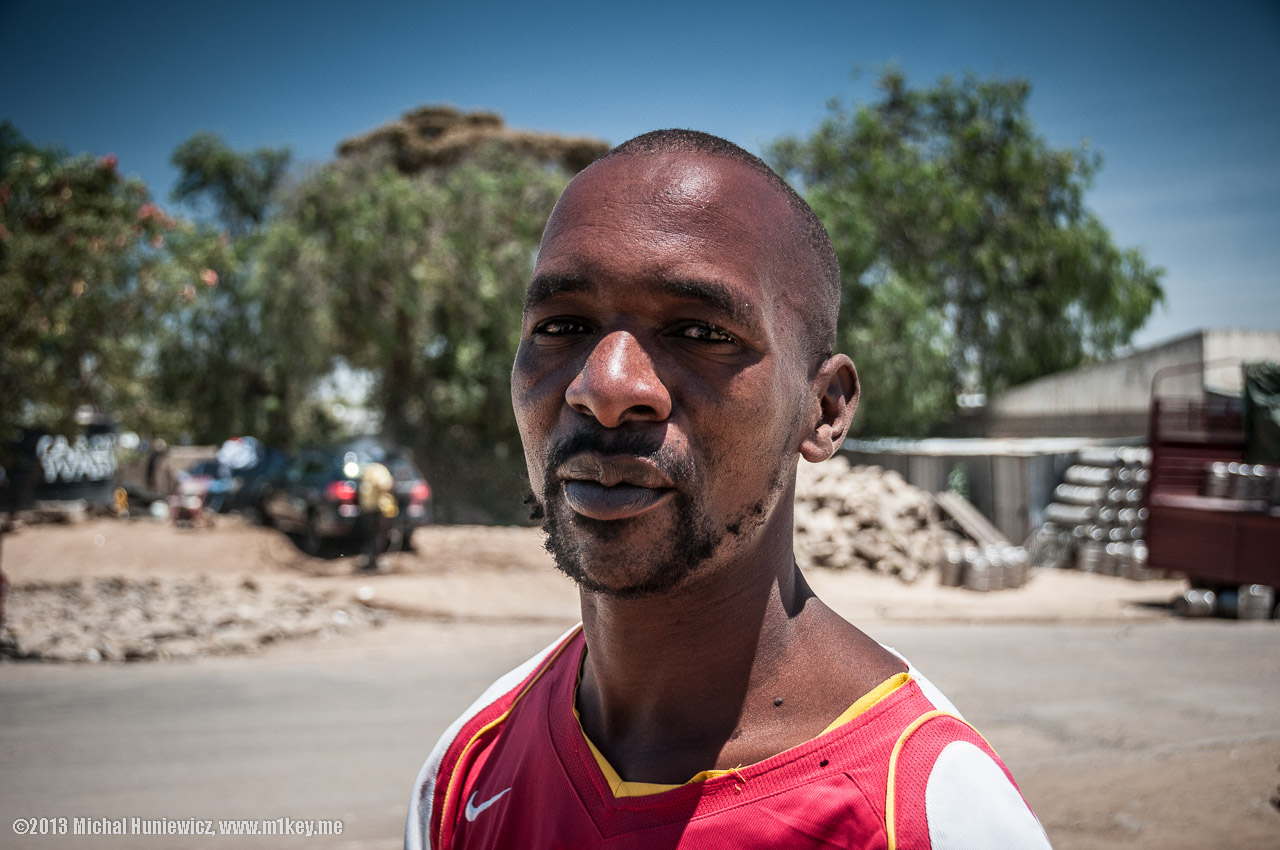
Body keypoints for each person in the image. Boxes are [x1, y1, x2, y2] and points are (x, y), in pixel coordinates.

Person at [406, 130, 1053, 849]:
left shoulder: (924, 814)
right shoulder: (467, 771)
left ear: (825, 409)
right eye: (562, 326)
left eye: (698, 331)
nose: (607, 388)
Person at [358, 458, 395, 572]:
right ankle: (376, 561)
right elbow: (385, 485)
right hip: (381, 507)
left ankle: (370, 560)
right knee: (380, 535)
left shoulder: (367, 470)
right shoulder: (380, 470)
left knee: (372, 535)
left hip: (368, 507)